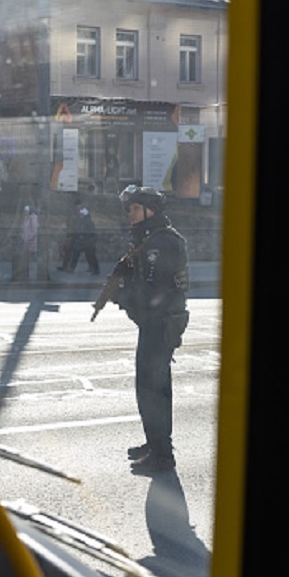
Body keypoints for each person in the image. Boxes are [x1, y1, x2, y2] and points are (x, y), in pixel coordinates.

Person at [111, 186, 190, 474]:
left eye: (135, 208)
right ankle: (155, 444)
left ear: (150, 210)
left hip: (159, 324)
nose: (130, 214)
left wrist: (123, 293)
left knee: (151, 391)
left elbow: (153, 290)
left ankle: (162, 455)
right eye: (129, 209)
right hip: (156, 323)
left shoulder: (160, 243)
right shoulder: (151, 239)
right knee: (152, 388)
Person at [62, 201, 101, 274]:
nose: (80, 215)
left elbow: (91, 231)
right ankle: (72, 268)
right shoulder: (80, 221)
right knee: (76, 254)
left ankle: (95, 270)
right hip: (80, 240)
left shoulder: (88, 221)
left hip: (87, 241)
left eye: (81, 214)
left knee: (90, 256)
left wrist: (89, 238)